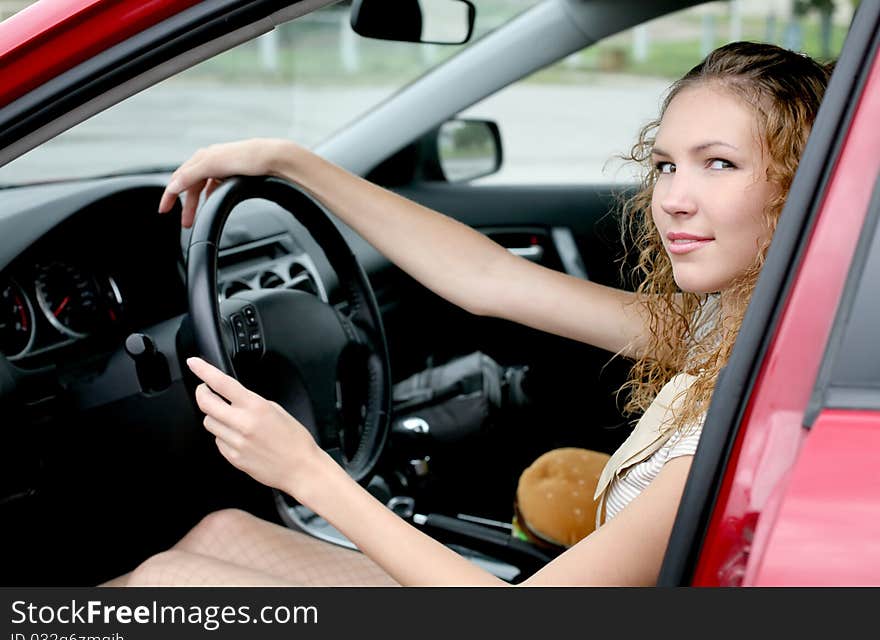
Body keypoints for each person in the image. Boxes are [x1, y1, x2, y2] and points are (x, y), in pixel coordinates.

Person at [107, 41, 832, 587]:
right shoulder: (734, 331)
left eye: (719, 164)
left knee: (168, 586)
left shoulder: (750, 413)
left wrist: (307, 470)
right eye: (668, 164)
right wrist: (295, 163)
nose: (673, 197)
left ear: (802, 188)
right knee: (220, 529)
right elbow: (489, 277)